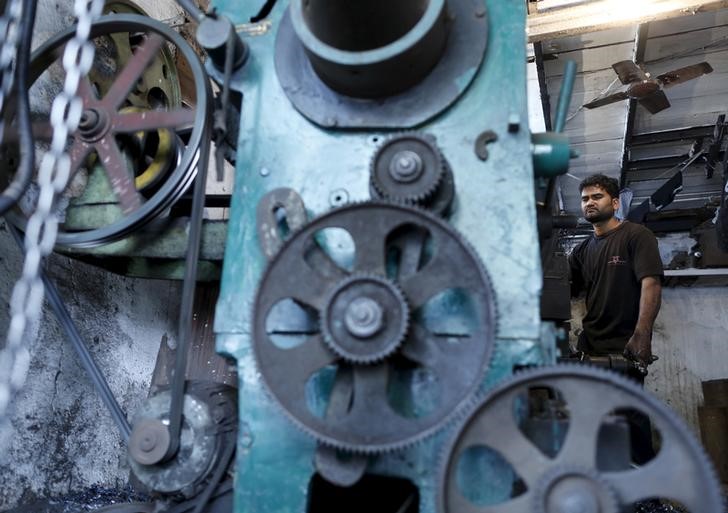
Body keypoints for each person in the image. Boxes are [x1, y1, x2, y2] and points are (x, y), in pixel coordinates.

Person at [569, 174, 663, 376]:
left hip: (625, 345)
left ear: (615, 203)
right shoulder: (581, 250)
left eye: (597, 196)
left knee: (625, 407)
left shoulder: (636, 235)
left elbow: (651, 284)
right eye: (585, 199)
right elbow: (567, 290)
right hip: (589, 346)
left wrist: (642, 334)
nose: (590, 202)